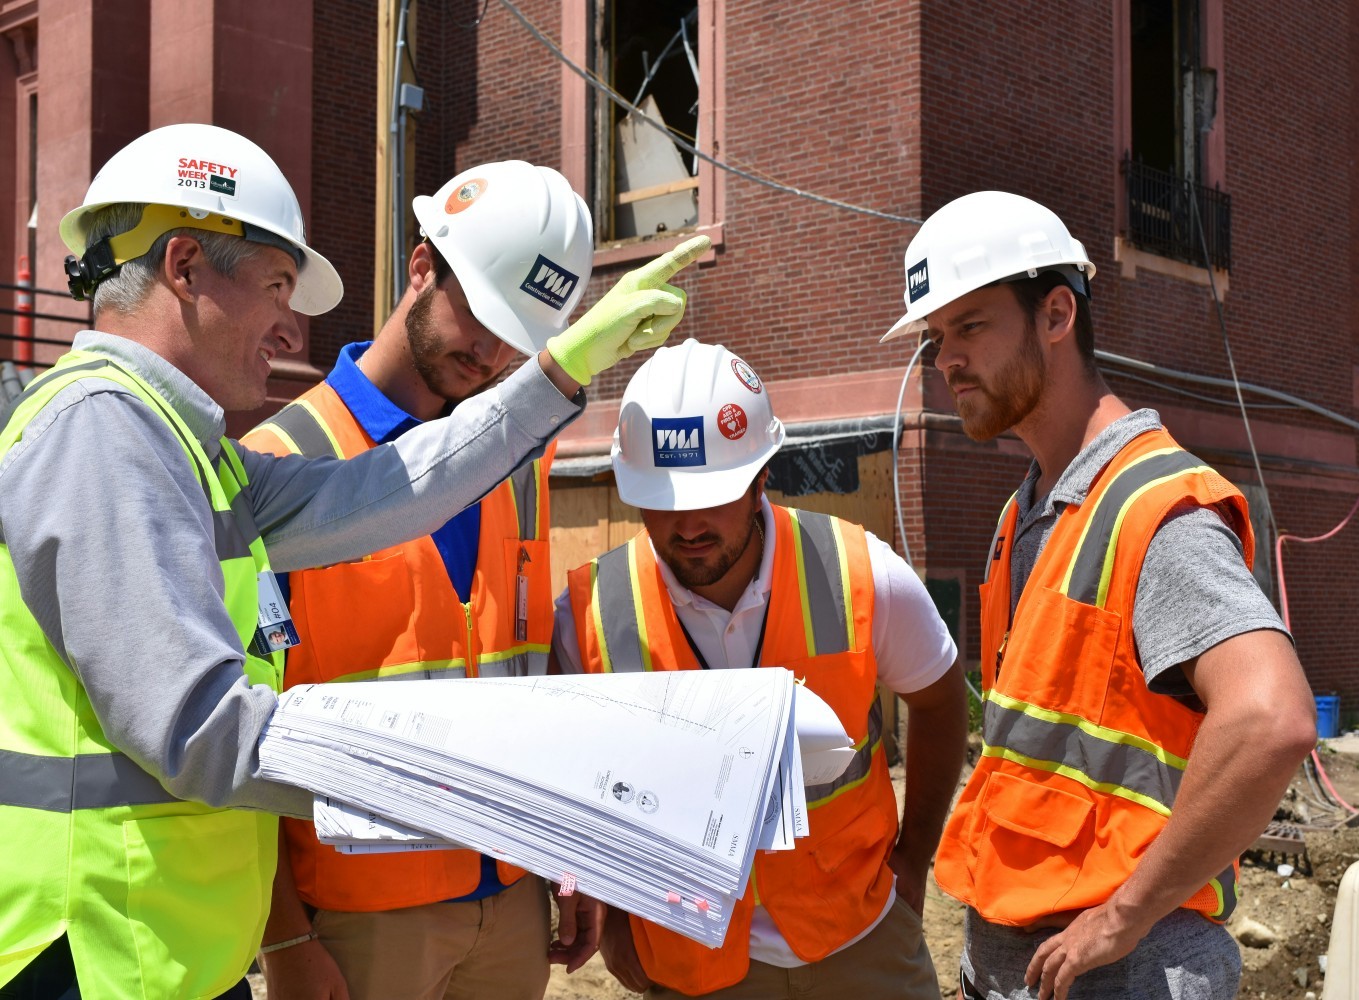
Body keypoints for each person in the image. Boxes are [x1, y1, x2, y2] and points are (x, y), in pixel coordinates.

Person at [0, 122, 707, 1000]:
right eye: (274, 287)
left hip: (162, 945)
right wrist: (474, 781)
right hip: (94, 953)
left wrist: (562, 371)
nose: (289, 324)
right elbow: (199, 728)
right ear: (183, 267)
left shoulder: (190, 451)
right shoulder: (100, 429)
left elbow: (393, 492)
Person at [880, 191, 1318, 1000]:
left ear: (1056, 314)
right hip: (1027, 959)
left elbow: (1272, 718)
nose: (945, 359)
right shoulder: (1029, 511)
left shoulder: (1153, 506)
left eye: (970, 326)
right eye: (936, 337)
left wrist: (1126, 912)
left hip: (1125, 969)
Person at [240, 161, 603, 1000]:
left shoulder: (520, 461)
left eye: (520, 330)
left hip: (511, 897)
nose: (493, 351)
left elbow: (527, 679)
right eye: (480, 312)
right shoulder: (279, 466)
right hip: (359, 919)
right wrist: (285, 934)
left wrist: (567, 849)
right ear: (420, 267)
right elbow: (241, 730)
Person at [552, 339, 969, 1000]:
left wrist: (914, 860)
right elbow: (569, 781)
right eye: (661, 499)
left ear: (760, 479)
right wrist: (608, 918)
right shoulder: (588, 616)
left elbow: (942, 700)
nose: (687, 524)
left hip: (857, 937)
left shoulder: (862, 573)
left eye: (712, 496)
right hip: (692, 958)